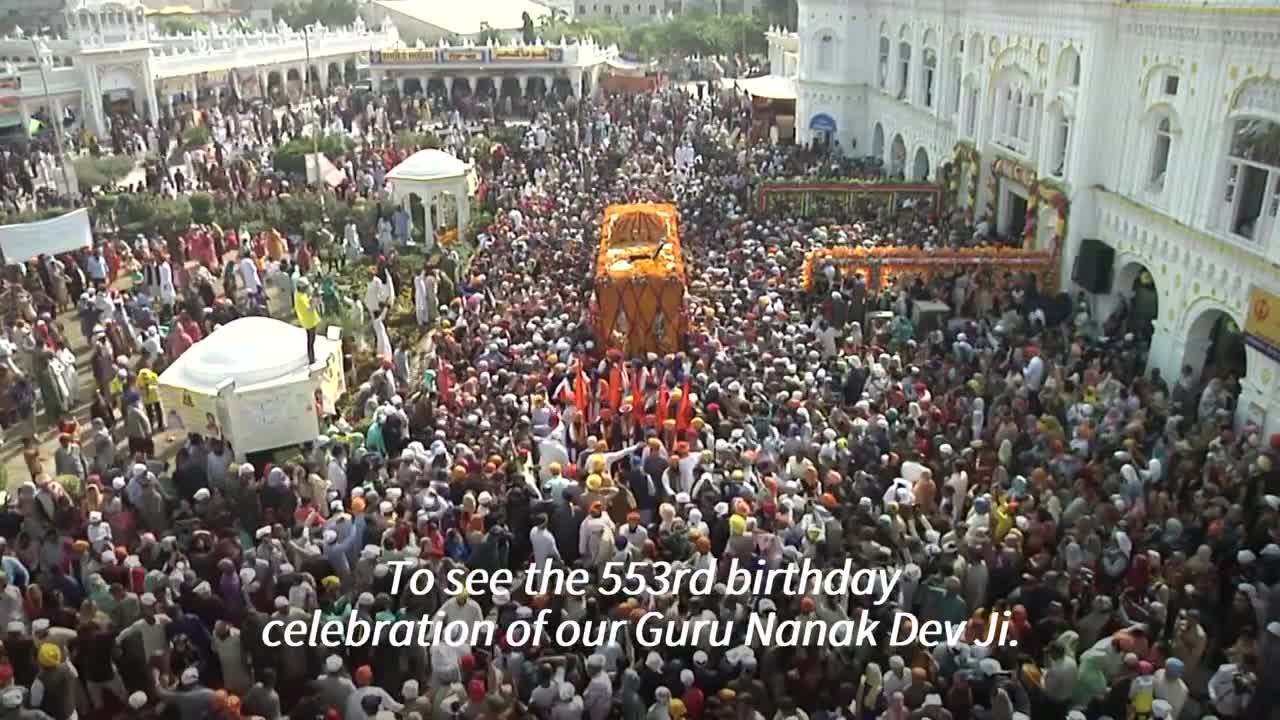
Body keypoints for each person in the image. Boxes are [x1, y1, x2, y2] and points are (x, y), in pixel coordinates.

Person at [295, 277, 322, 365]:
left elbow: (308, 301)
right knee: (311, 341)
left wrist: (312, 297)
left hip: (306, 320)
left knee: (310, 340)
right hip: (309, 321)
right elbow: (310, 308)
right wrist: (316, 301)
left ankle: (311, 357)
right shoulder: (301, 298)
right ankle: (311, 359)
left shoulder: (298, 294)